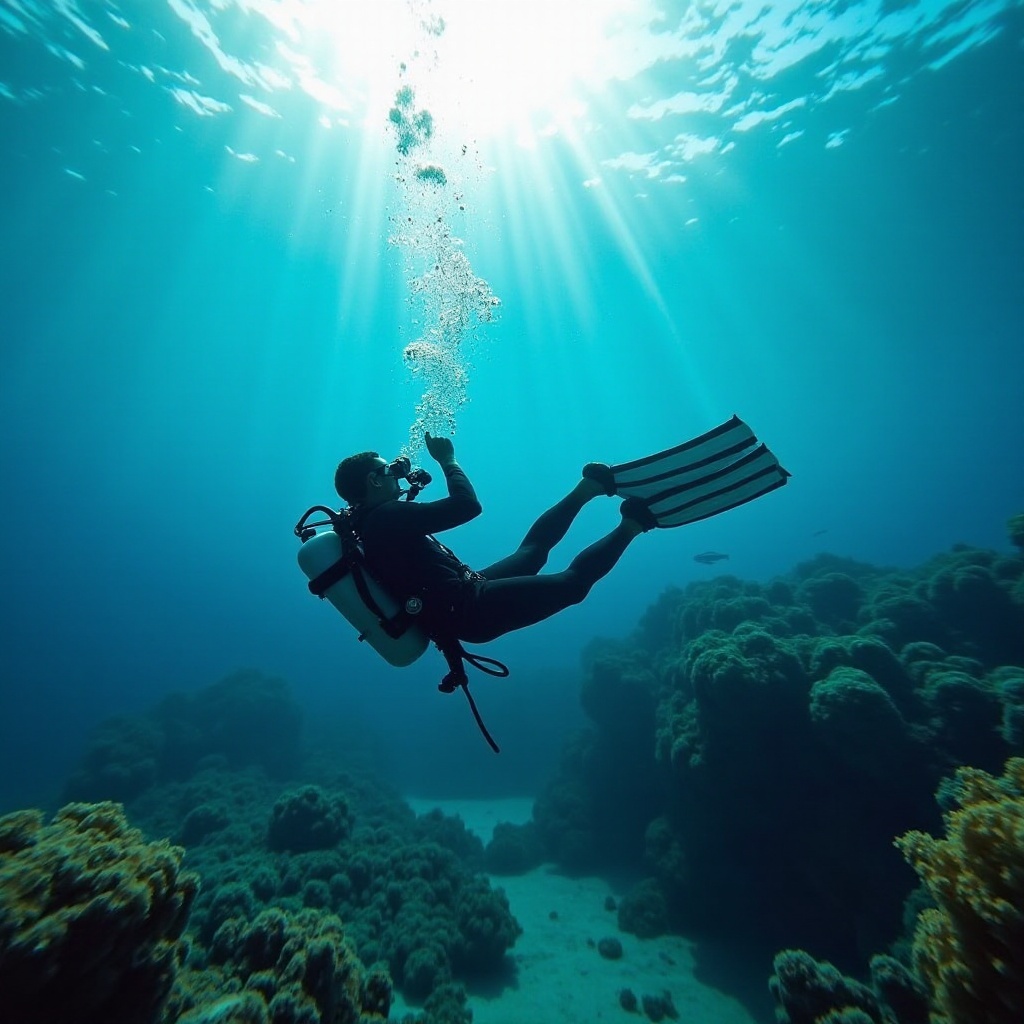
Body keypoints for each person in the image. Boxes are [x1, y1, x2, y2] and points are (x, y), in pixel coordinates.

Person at [333, 432, 651, 648]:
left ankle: (589, 488)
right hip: (470, 609)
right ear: (374, 480)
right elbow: (467, 506)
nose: (398, 475)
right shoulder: (384, 517)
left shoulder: (369, 524)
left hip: (467, 592)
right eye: (389, 470)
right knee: (572, 586)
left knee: (532, 554)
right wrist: (448, 460)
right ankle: (632, 525)